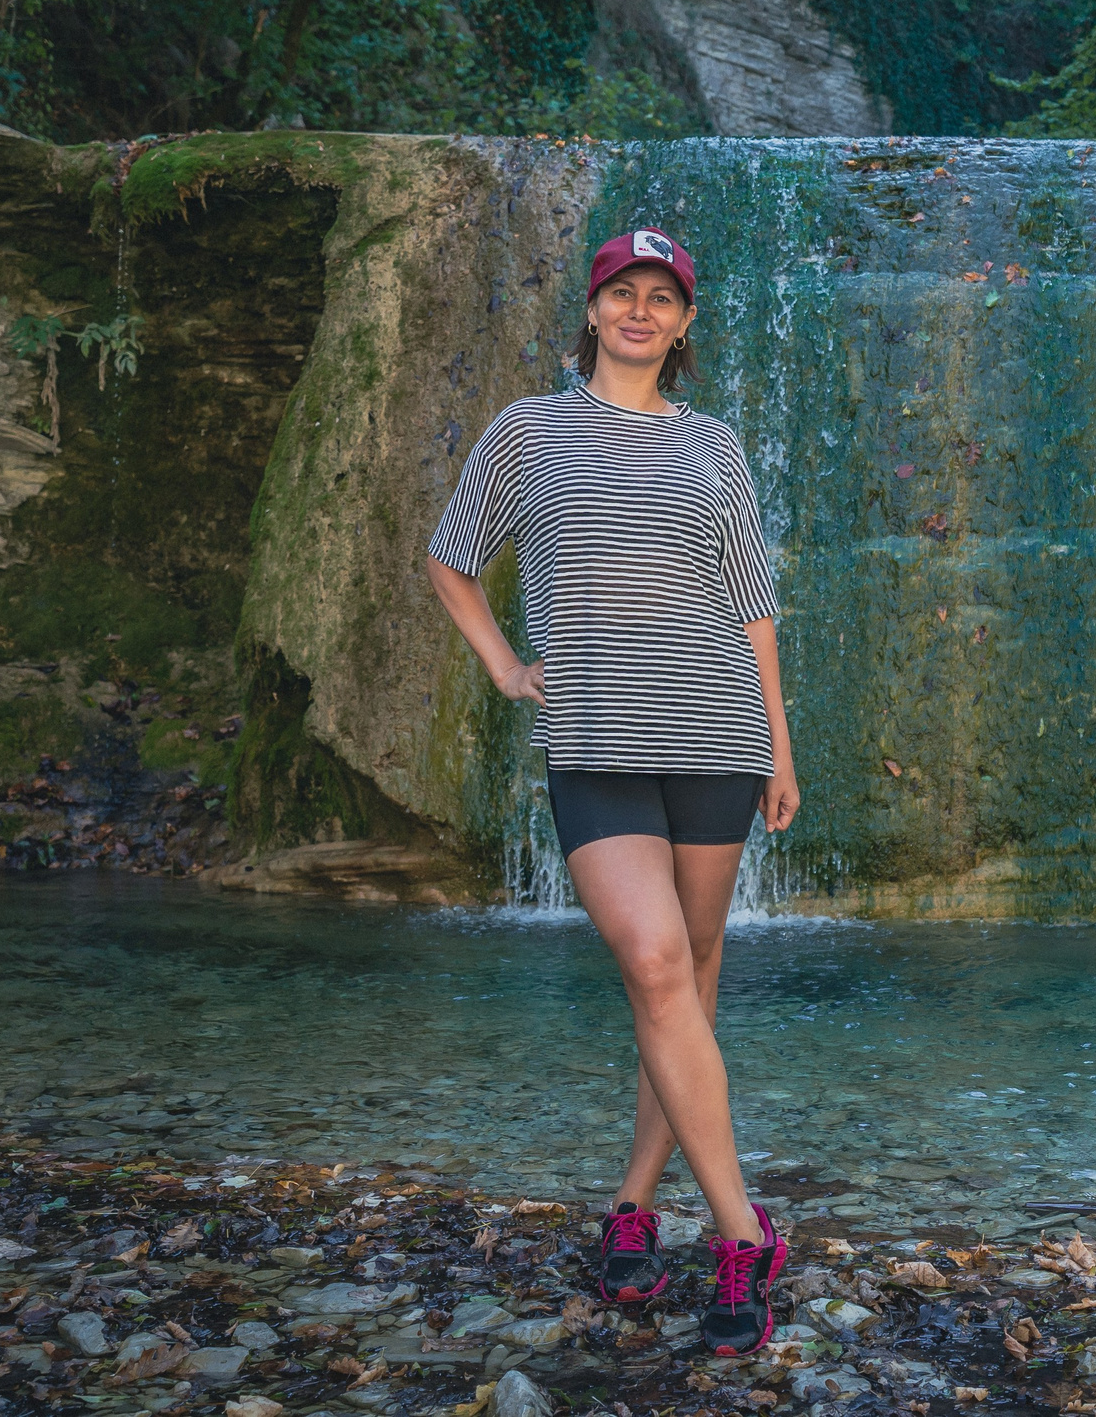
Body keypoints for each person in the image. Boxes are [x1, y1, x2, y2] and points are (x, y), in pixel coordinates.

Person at [423, 227, 801, 1356]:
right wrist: (502, 664)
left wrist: (780, 750)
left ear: (684, 326)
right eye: (621, 293)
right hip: (592, 739)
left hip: (717, 733)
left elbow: (753, 608)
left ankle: (635, 1201)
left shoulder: (715, 447)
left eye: (662, 298)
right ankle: (745, 1227)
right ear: (591, 312)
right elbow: (452, 556)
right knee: (651, 960)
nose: (640, 310)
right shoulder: (526, 430)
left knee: (687, 976)